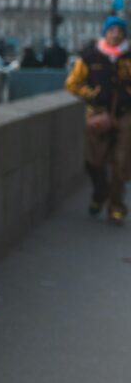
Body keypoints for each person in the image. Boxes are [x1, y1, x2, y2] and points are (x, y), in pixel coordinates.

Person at [65, 14, 131, 225]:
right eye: (112, 30)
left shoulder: (128, 56)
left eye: (120, 31)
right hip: (98, 114)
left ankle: (116, 208)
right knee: (95, 162)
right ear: (105, 32)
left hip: (125, 115)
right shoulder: (90, 56)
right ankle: (100, 193)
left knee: (122, 163)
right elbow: (72, 83)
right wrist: (90, 94)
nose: (116, 34)